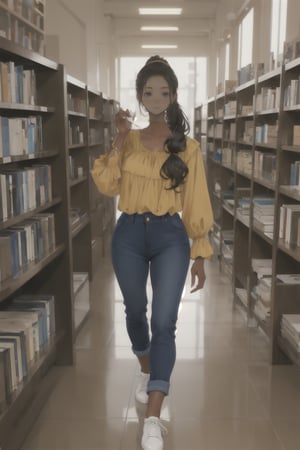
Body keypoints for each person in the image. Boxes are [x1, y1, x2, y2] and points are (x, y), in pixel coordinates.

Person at [91, 55, 213, 450]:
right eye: (148, 92)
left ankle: (153, 416)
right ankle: (148, 368)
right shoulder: (127, 141)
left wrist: (200, 251)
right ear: (141, 97)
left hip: (170, 236)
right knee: (133, 312)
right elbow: (108, 186)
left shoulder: (188, 148)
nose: (155, 97)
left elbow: (196, 199)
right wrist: (117, 136)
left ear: (173, 95)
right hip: (127, 233)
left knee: (164, 321)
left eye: (163, 91)